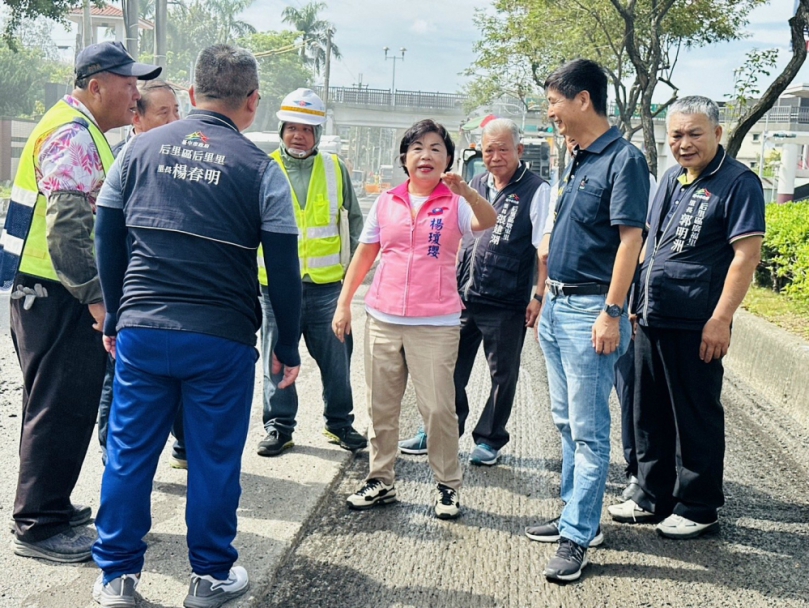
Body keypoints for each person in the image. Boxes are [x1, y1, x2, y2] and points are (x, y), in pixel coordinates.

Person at [90, 44, 301, 607]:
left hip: (142, 326)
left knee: (130, 452)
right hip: (221, 338)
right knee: (213, 459)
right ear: (253, 102)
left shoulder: (136, 152)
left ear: (189, 94)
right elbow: (284, 267)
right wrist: (286, 344)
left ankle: (116, 578)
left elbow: (106, 236)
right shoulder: (262, 171)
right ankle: (210, 578)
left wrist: (117, 311)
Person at [0, 41, 160, 563]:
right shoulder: (74, 135)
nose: (135, 94)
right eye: (128, 83)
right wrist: (96, 298)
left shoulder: (75, 126)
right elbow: (68, 229)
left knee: (57, 404)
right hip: (58, 295)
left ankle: (51, 504)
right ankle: (39, 526)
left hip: (43, 292)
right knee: (59, 407)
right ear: (96, 86)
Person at [608, 96, 765, 539]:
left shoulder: (739, 182)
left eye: (695, 133)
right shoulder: (672, 180)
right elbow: (649, 244)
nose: (684, 143)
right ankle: (651, 495)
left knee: (694, 415)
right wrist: (635, 299)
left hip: (697, 321)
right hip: (653, 313)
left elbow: (745, 256)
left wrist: (721, 319)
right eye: (676, 134)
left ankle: (698, 505)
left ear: (717, 133)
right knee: (647, 408)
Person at [332, 119, 497, 519]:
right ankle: (381, 479)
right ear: (405, 157)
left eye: (436, 148)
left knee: (439, 408)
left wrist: (467, 192)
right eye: (417, 148)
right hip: (383, 316)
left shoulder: (456, 201)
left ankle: (447, 485)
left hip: (435, 322)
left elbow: (488, 221)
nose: (426, 155)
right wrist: (344, 303)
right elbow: (365, 253)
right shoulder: (387, 201)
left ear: (448, 160)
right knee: (381, 406)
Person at [525, 59, 649, 582]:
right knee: (566, 424)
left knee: (591, 432)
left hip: (591, 312)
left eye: (554, 101)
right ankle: (579, 517)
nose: (549, 111)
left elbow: (630, 241)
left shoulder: (625, 160)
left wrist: (612, 312)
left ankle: (578, 537)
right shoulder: (575, 158)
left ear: (582, 100)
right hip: (557, 306)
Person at [398, 118, 551, 466]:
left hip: (507, 300)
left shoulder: (536, 190)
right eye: (488, 149)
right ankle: (441, 430)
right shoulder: (476, 183)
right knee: (449, 369)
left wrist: (538, 296)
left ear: (519, 151)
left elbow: (544, 246)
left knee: (503, 374)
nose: (495, 156)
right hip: (464, 295)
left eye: (503, 149)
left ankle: (490, 439)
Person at [256, 88, 365, 457]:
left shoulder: (335, 168)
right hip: (275, 288)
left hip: (326, 289)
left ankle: (339, 424)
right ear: (282, 130)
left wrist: (352, 278)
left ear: (317, 134)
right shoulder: (264, 168)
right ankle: (279, 427)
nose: (298, 136)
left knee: (337, 359)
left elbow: (355, 221)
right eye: (292, 128)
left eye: (306, 129)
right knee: (277, 360)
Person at [98, 79, 184, 468]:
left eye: (177, 111)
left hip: (176, 288)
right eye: (163, 113)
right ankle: (110, 446)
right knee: (118, 379)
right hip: (135, 292)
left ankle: (184, 442)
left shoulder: (186, 158)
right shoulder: (123, 160)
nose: (174, 119)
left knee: (183, 374)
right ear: (138, 116)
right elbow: (106, 235)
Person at [613, 169, 658, 500]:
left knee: (631, 388)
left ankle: (637, 471)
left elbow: (645, 244)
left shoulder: (636, 174)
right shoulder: (576, 171)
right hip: (588, 298)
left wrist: (631, 303)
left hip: (624, 299)